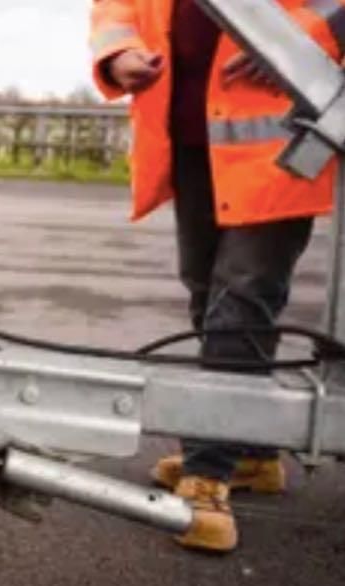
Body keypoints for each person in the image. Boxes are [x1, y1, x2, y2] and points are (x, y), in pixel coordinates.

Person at [91, 0, 344, 552]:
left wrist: (293, 43)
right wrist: (118, 54)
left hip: (278, 139)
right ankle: (251, 450)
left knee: (242, 295)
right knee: (209, 292)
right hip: (190, 133)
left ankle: (208, 474)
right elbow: (117, 8)